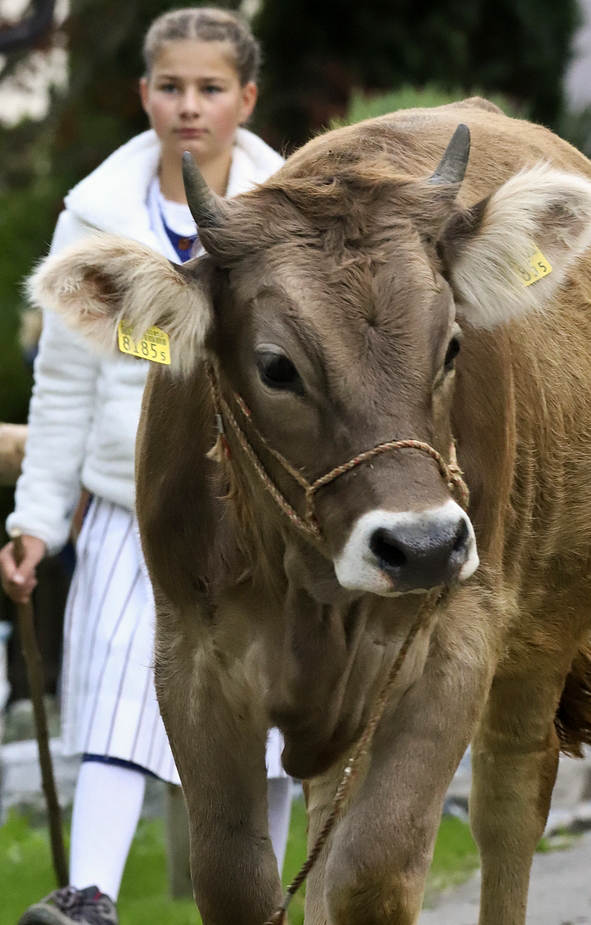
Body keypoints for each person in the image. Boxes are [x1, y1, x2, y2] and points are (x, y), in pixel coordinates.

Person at [0, 9, 291, 924]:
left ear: (246, 97)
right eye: (171, 87)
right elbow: (63, 390)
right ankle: (89, 899)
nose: (189, 107)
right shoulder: (97, 217)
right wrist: (35, 522)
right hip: (136, 511)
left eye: (210, 89)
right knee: (123, 696)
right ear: (145, 96)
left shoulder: (292, 215)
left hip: (261, 511)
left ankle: (262, 904)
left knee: (268, 722)